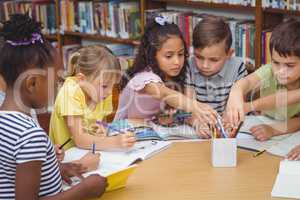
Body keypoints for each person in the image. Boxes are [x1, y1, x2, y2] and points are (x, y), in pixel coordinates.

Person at [0, 13, 106, 200]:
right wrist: (84, 190)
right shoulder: (30, 135)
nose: (59, 87)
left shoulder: (8, 122)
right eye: (56, 81)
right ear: (32, 84)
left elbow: (11, 171)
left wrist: (56, 169)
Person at [115, 16, 217, 132]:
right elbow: (165, 94)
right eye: (169, 56)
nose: (177, 62)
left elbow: (177, 113)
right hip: (123, 133)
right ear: (152, 55)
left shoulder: (174, 75)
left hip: (151, 133)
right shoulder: (145, 78)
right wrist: (197, 106)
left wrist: (196, 122)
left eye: (180, 54)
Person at [49, 45, 136, 150]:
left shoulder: (103, 94)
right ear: (81, 79)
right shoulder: (70, 92)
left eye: (113, 85)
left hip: (88, 152)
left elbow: (100, 123)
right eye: (104, 86)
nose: (109, 92)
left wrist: (101, 128)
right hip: (66, 157)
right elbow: (80, 139)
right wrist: (115, 142)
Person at [226, 18, 300, 141]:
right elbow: (247, 82)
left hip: (288, 129)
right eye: (276, 62)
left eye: (289, 65)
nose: (280, 71)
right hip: (262, 119)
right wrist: (235, 91)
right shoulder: (269, 70)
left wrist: (272, 129)